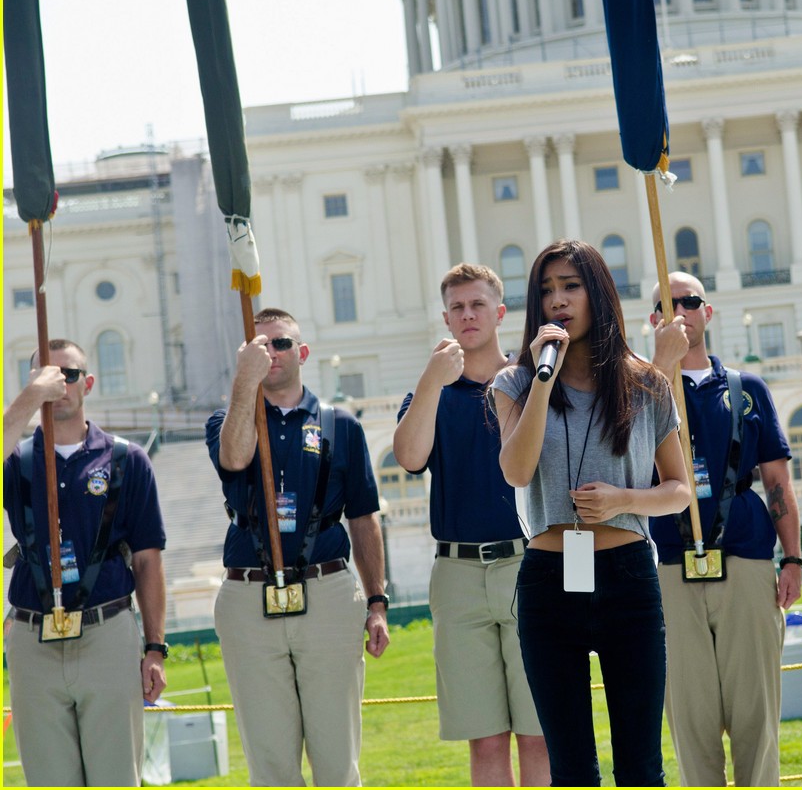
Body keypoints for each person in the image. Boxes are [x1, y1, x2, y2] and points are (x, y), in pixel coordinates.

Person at [490, 239, 690, 786]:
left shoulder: (645, 382)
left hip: (628, 577)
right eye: (546, 290)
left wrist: (624, 500)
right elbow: (517, 471)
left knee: (641, 767)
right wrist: (543, 379)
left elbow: (679, 489)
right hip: (548, 582)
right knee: (572, 768)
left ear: (597, 293)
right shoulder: (515, 382)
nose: (557, 300)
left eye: (570, 286)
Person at [206, 308, 389, 786]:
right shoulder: (227, 419)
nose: (271, 352)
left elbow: (363, 517)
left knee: (336, 759)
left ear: (302, 352)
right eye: (259, 346)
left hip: (326, 589)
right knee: (270, 765)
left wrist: (376, 603)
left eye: (281, 342)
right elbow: (235, 457)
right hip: (250, 594)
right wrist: (245, 382)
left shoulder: (340, 424)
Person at [393, 264, 549, 786]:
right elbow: (409, 458)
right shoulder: (430, 391)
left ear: (500, 313)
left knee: (539, 732)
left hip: (529, 564)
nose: (467, 315)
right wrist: (429, 380)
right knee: (484, 740)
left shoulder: (529, 382)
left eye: (477, 304)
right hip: (458, 573)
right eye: (457, 308)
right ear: (445, 319)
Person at [647, 271, 802, 787]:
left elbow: (777, 481)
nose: (678, 312)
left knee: (757, 718)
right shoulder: (638, 389)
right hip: (673, 568)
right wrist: (659, 368)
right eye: (665, 305)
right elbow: (623, 455)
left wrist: (793, 558)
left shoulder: (746, 389)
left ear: (707, 312)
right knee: (690, 723)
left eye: (689, 301)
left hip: (744, 561)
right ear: (652, 320)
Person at [4, 339, 167, 786]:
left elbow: (148, 560)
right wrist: (29, 399)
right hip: (34, 635)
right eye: (46, 375)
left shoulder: (126, 459)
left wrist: (155, 648)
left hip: (106, 630)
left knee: (116, 777)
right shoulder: (15, 459)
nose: (59, 385)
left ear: (88, 383)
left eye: (69, 375)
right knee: (48, 779)